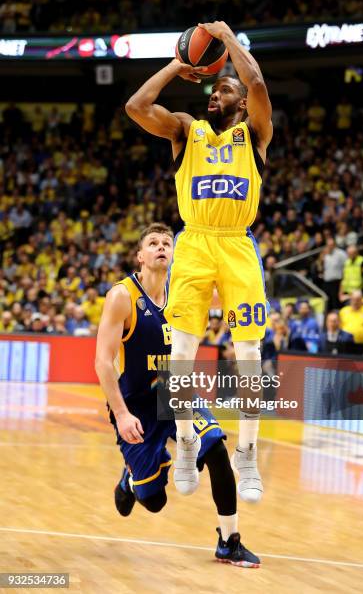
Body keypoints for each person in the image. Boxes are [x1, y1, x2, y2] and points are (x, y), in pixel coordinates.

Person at [125, 20, 273, 502]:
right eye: (213, 88)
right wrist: (180, 63)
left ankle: (247, 453)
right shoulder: (187, 131)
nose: (216, 93)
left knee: (248, 355)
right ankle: (187, 442)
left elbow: (256, 82)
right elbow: (136, 107)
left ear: (242, 104)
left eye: (224, 89)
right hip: (194, 243)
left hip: (236, 244)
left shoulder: (254, 133)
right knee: (182, 354)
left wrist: (228, 39)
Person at [95, 223, 260, 568]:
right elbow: (103, 363)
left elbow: (235, 294)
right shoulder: (122, 297)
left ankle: (228, 541)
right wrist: (122, 414)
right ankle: (131, 476)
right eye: (152, 243)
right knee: (154, 502)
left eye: (167, 243)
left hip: (175, 392)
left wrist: (247, 265)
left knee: (215, 445)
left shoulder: (187, 290)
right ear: (140, 255)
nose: (161, 247)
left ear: (175, 253)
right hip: (137, 403)